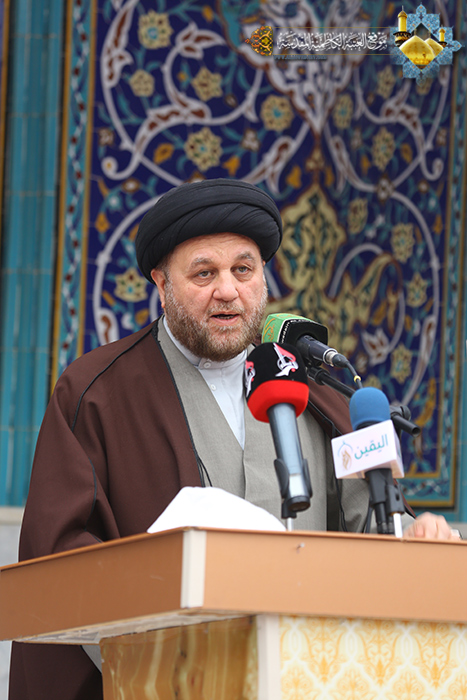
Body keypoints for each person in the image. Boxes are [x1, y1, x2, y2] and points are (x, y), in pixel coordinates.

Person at [8, 178, 459, 700]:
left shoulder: (315, 390)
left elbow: (371, 527)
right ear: (161, 283)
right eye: (204, 273)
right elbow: (62, 560)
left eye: (243, 270)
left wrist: (416, 535)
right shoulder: (98, 392)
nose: (227, 290)